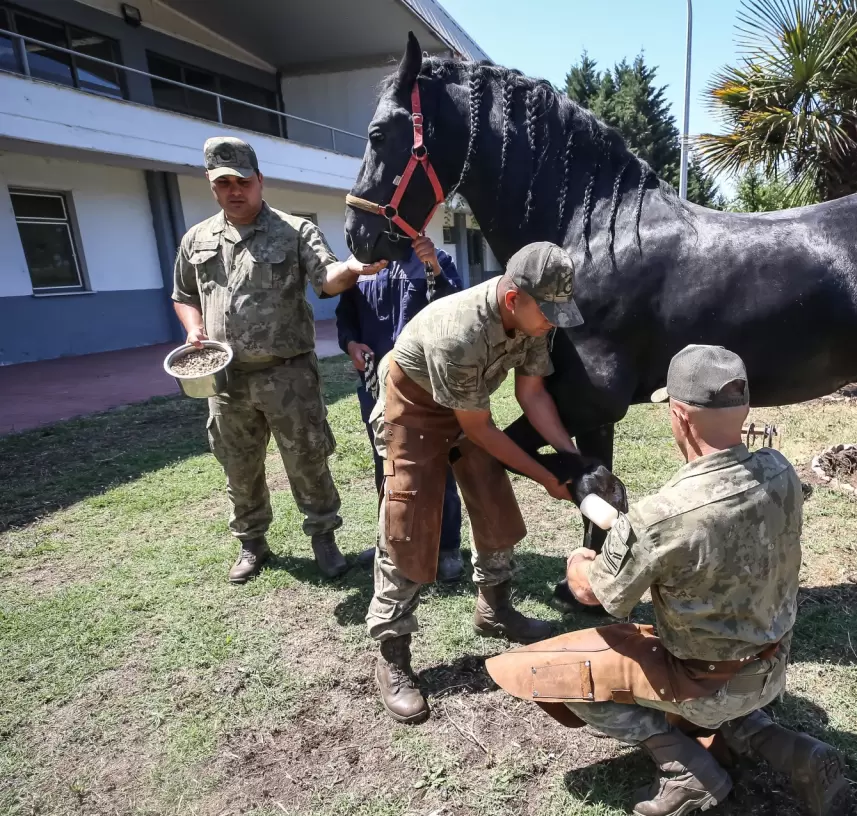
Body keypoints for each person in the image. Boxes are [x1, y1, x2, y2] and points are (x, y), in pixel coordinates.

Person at [486, 345, 849, 816]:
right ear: (743, 410)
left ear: (679, 415)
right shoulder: (780, 470)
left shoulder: (662, 516)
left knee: (561, 674)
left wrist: (581, 562)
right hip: (773, 663)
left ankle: (685, 770)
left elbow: (600, 596)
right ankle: (784, 746)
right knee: (717, 671)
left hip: (705, 679)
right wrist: (632, 536)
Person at [367, 240, 585, 723]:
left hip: (467, 407)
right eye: (548, 312)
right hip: (414, 409)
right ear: (514, 299)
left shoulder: (533, 318)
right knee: (408, 523)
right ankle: (392, 655)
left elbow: (531, 394)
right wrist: (548, 478)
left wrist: (572, 459)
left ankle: (494, 609)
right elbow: (479, 428)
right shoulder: (459, 332)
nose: (552, 321)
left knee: (494, 502)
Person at [172, 136, 388, 584]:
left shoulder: (294, 230)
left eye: (242, 181)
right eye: (224, 183)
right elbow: (183, 295)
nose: (235, 190)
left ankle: (324, 539)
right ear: (212, 186)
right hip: (224, 379)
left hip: (287, 374)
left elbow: (326, 279)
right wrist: (193, 328)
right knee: (238, 464)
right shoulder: (197, 238)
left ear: (259, 180)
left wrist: (352, 268)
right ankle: (252, 543)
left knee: (308, 459)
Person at [335, 234, 465, 579]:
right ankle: (391, 541)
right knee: (386, 463)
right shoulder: (362, 265)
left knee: (438, 462)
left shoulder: (434, 258)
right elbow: (345, 315)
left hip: (425, 386)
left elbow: (454, 315)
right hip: (375, 386)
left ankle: (447, 545)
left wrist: (435, 269)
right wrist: (350, 344)